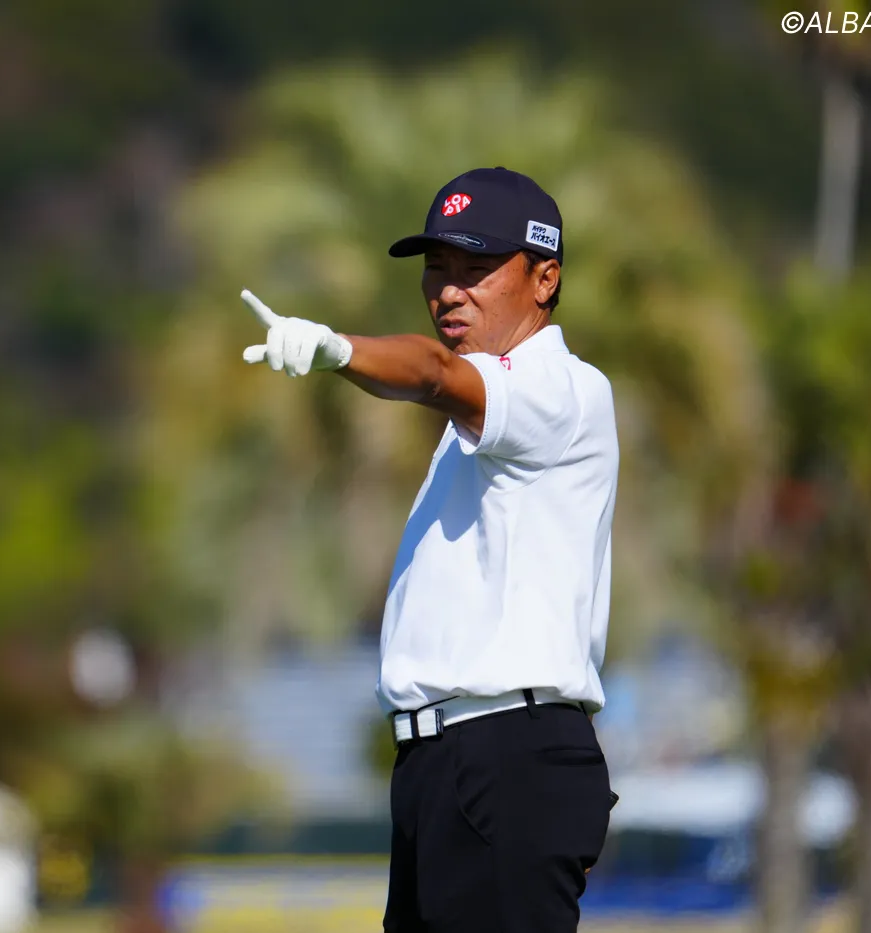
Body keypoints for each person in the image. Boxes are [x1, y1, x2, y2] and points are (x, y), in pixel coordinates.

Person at [240, 166, 619, 933]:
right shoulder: (477, 425)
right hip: (441, 765)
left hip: (506, 755)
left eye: (476, 268)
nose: (448, 290)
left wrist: (335, 348)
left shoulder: (562, 389)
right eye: (437, 267)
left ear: (545, 277)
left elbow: (435, 373)